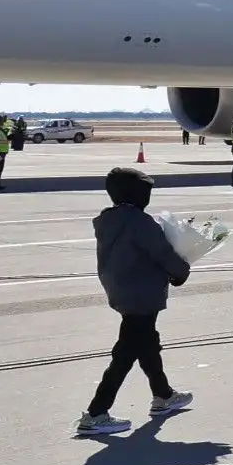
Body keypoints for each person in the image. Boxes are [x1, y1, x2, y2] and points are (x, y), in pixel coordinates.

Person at [75, 167, 194, 436]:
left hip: (121, 289)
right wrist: (181, 272)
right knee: (125, 353)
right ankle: (96, 412)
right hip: (142, 292)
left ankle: (163, 395)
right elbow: (162, 253)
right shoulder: (140, 223)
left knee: (147, 343)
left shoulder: (109, 221)